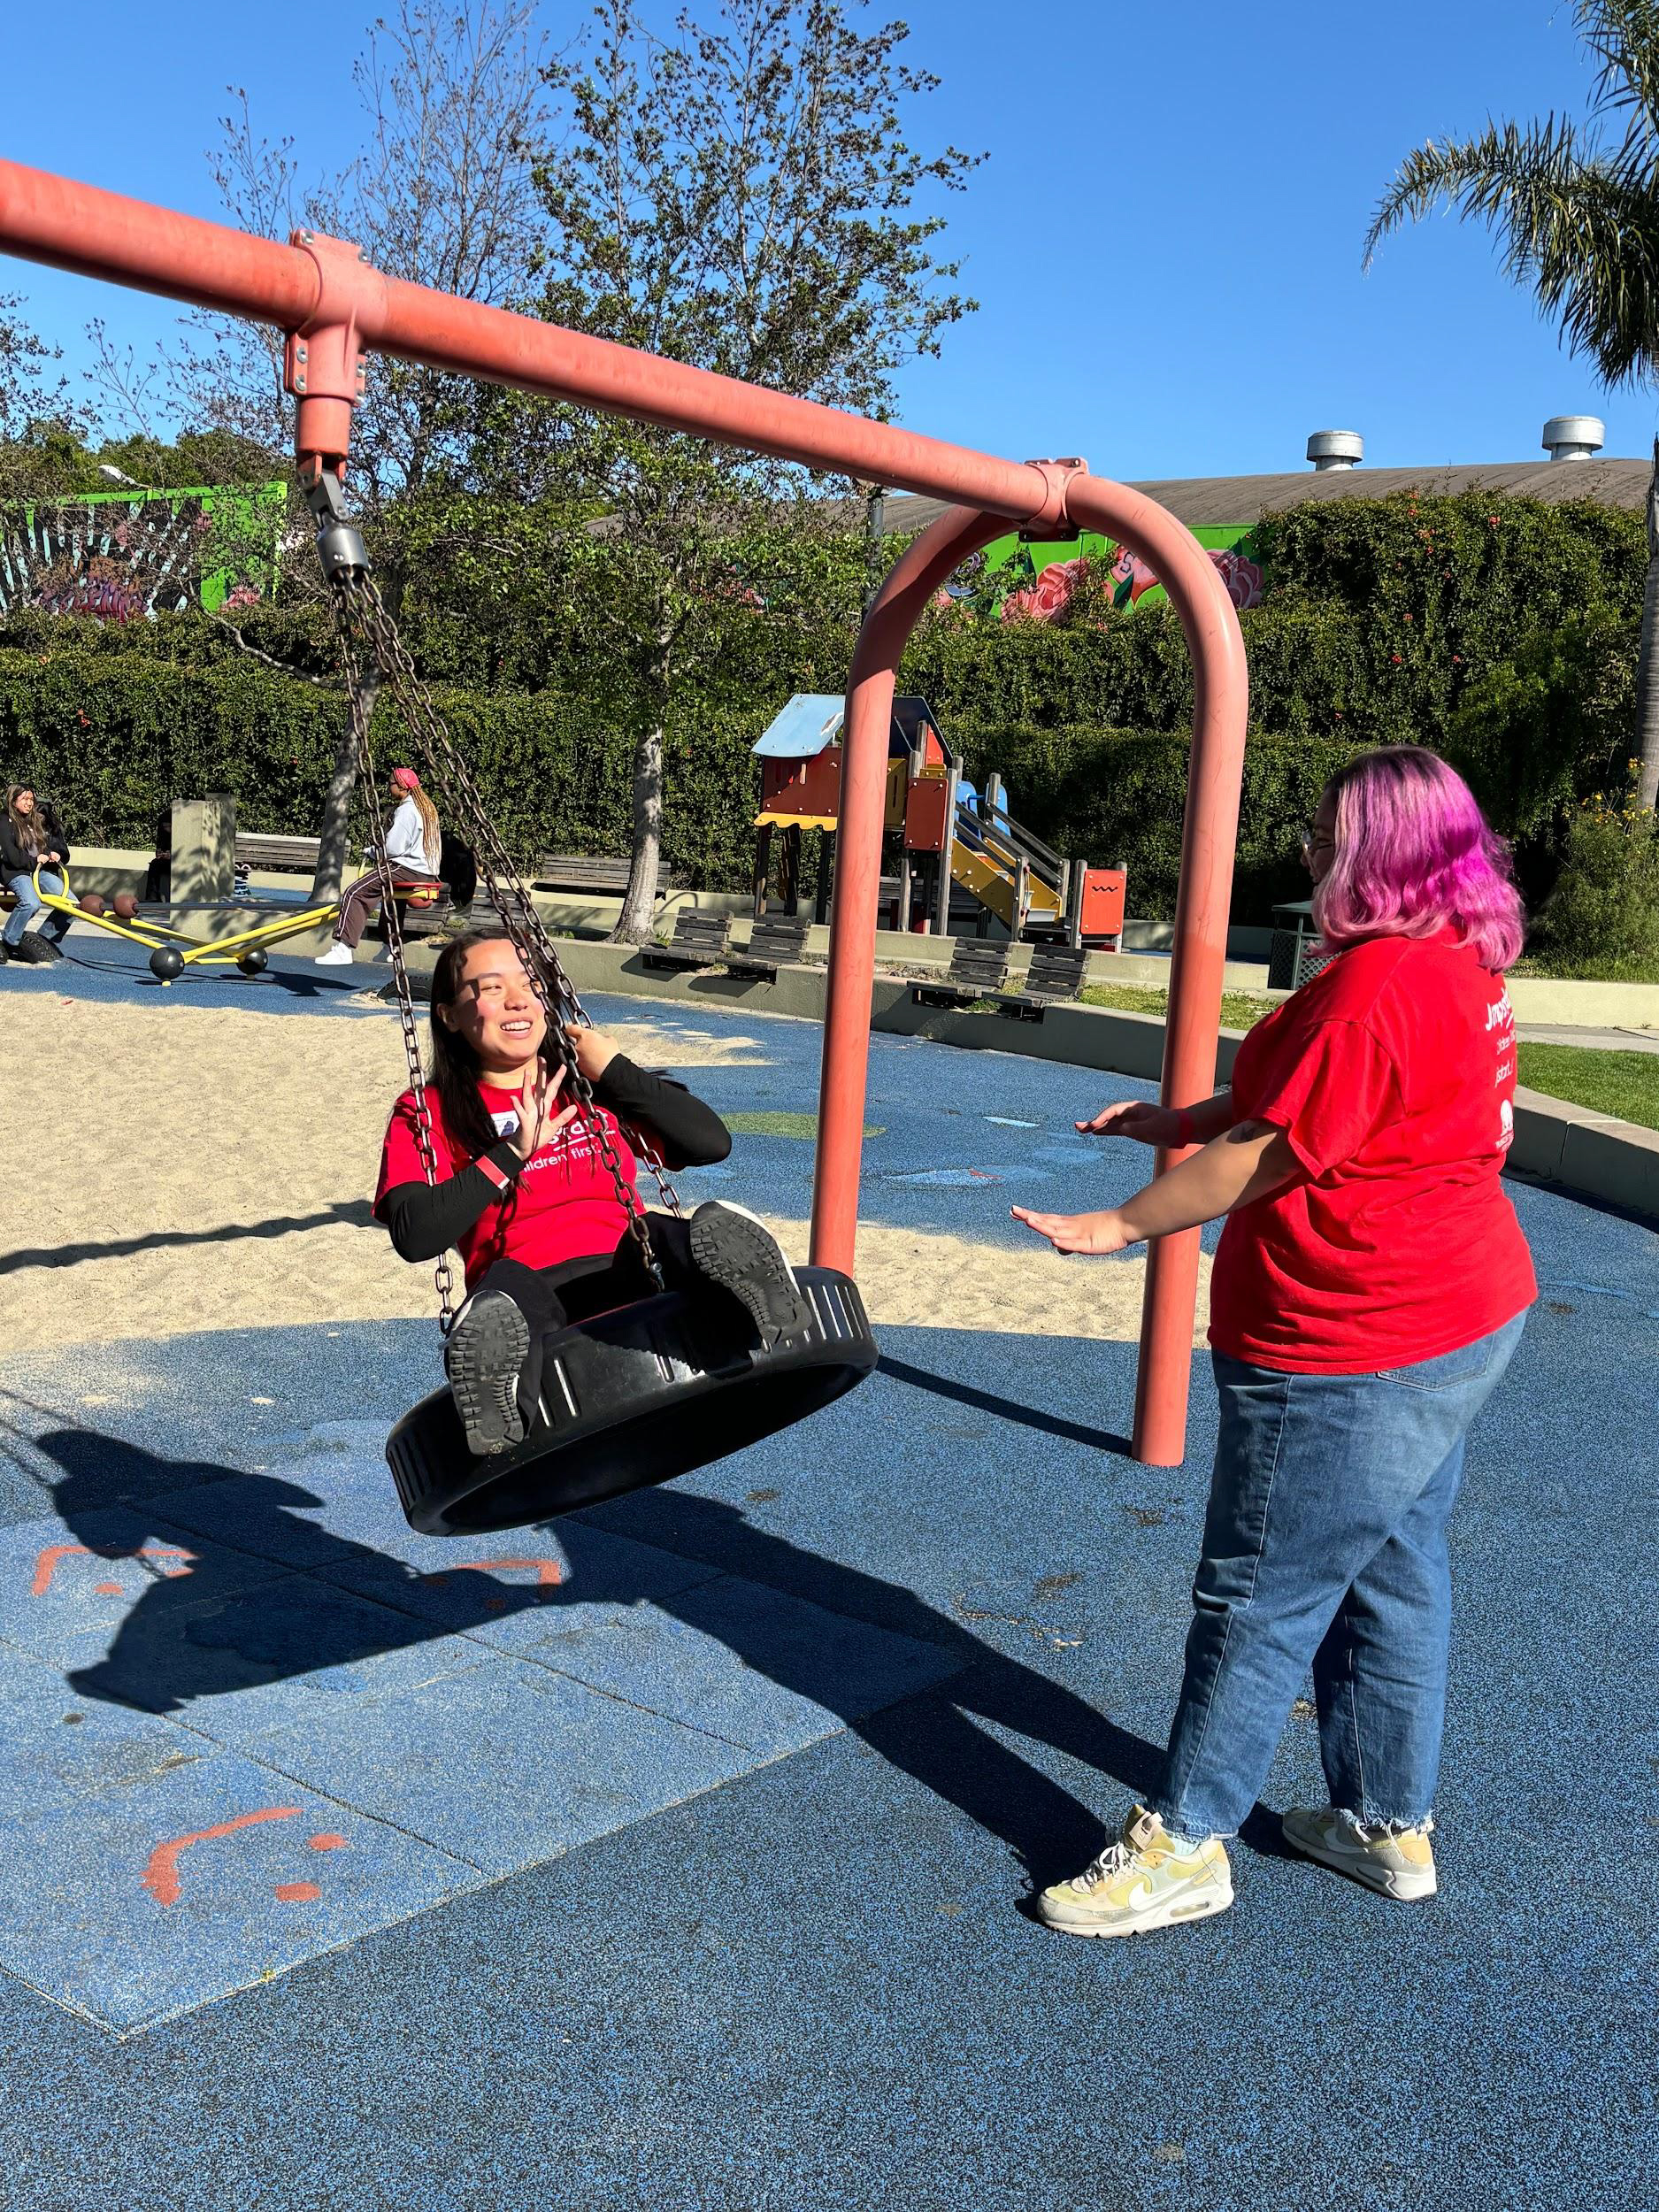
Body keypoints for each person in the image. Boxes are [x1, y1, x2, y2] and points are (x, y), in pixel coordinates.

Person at [1012, 746, 1535, 1938]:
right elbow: (1317, 1095)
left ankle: (1186, 1840)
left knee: (1257, 1594)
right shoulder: (1450, 963)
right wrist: (1181, 1116)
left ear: (1380, 851)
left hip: (1350, 1339)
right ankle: (1379, 1821)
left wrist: (1119, 1224)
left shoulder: (1375, 986)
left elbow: (1274, 1151)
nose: (1308, 848)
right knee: (1394, 1570)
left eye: (1327, 833)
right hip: (1458, 1314)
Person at [374, 929, 814, 1455]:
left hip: (632, 1267)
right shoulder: (427, 1111)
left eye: (529, 983)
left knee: (669, 1232)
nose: (517, 1000)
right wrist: (512, 1152)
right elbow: (415, 1234)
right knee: (505, 1296)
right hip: (528, 1292)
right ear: (449, 1015)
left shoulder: (591, 1086)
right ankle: (498, 1398)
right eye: (490, 989)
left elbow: (710, 1143)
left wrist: (614, 1069)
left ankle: (760, 1300)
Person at [316, 767, 442, 967]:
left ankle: (343, 948)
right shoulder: (426, 809)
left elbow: (393, 848)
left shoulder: (407, 810)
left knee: (354, 893)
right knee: (392, 899)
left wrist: (373, 852)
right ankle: (391, 948)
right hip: (427, 873)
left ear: (402, 786)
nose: (388, 787)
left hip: (407, 869)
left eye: (391, 784)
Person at [1, 786, 73, 964]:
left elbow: (39, 847)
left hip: (37, 871)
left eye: (31, 799)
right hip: (16, 871)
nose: (29, 803)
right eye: (25, 799)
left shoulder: (32, 822)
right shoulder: (3, 821)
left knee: (71, 905)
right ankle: (9, 941)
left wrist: (50, 854)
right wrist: (36, 861)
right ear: (13, 800)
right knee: (31, 903)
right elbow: (12, 856)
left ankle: (42, 940)